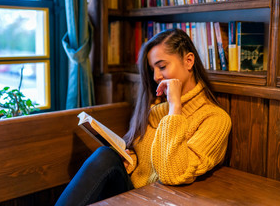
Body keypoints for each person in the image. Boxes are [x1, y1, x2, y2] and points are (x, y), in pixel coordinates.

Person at [55, 28, 231, 206]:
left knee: (104, 158)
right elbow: (142, 158)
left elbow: (174, 174)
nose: (156, 76)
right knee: (106, 156)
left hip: (163, 200)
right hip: (134, 194)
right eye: (152, 69)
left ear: (188, 61)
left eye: (162, 66)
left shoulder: (215, 119)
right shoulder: (155, 110)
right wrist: (130, 160)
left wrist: (175, 107)